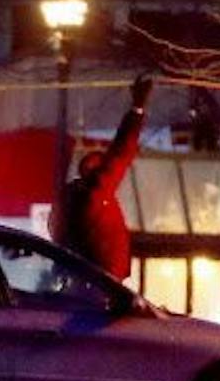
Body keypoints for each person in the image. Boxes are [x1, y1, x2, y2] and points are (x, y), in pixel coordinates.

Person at [53, 73, 154, 281]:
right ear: (96, 170)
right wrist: (137, 110)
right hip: (102, 276)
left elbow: (57, 228)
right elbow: (121, 152)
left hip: (84, 273)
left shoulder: (70, 195)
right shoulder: (97, 191)